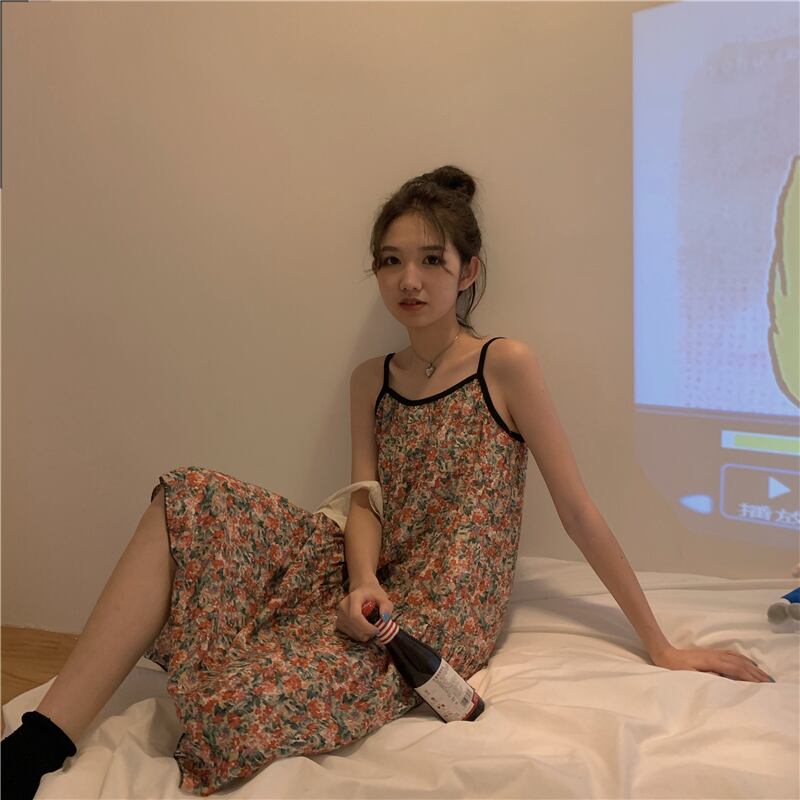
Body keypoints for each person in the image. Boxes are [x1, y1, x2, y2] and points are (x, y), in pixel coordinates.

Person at [0, 165, 774, 799]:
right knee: (188, 494)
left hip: (440, 606)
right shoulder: (371, 378)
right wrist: (362, 579)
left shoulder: (505, 365)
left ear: (468, 271)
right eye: (391, 260)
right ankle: (42, 739)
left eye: (432, 260)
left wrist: (661, 645)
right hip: (369, 575)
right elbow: (365, 501)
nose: (410, 278)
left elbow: (576, 509)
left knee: (230, 709)